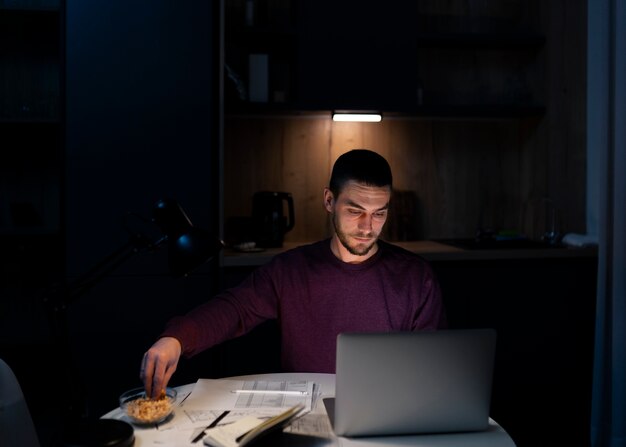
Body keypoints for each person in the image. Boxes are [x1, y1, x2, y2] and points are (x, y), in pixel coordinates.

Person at [140, 149, 447, 398]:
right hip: (305, 414)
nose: (368, 228)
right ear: (329, 200)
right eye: (355, 211)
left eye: (379, 213)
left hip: (386, 416)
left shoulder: (416, 278)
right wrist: (176, 339)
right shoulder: (290, 271)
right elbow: (234, 309)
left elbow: (431, 370)